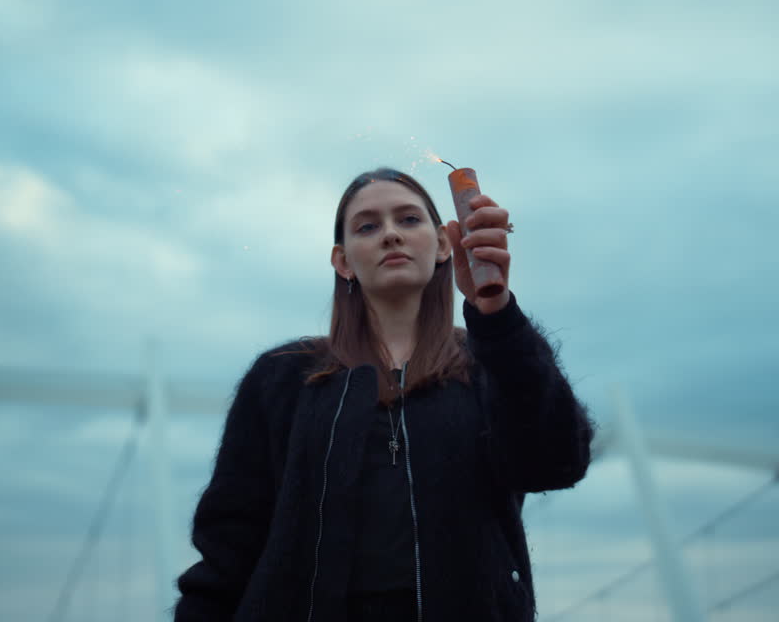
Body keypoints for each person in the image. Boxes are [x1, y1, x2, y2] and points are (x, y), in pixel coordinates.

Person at [174, 167, 594, 621]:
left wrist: (497, 317)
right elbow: (229, 546)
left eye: (409, 220)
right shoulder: (282, 377)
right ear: (343, 261)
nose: (390, 234)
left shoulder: (491, 362)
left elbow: (556, 461)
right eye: (368, 226)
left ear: (442, 245)